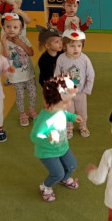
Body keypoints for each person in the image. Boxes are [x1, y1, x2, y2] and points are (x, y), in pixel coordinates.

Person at [30, 75, 82, 203]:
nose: (69, 104)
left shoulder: (59, 109)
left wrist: (73, 117)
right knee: (57, 173)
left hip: (62, 147)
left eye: (69, 101)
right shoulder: (44, 119)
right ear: (51, 101)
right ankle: (45, 186)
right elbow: (34, 136)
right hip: (47, 152)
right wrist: (48, 137)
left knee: (72, 166)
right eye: (65, 102)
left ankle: (63, 179)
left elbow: (64, 114)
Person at [54, 27, 95, 138]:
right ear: (65, 46)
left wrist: (87, 89)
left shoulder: (85, 59)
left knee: (82, 111)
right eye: (72, 46)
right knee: (68, 110)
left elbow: (91, 74)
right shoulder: (61, 59)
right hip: (67, 93)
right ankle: (69, 127)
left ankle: (83, 125)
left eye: (79, 45)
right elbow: (57, 74)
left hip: (81, 92)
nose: (76, 49)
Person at [1, 13, 38, 127]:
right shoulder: (3, 42)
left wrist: (20, 43)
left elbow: (31, 53)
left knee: (33, 93)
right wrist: (3, 41)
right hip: (16, 77)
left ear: (20, 29)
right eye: (8, 27)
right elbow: (6, 55)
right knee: (20, 96)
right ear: (4, 28)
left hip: (28, 73)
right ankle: (22, 114)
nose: (12, 29)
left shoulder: (23, 39)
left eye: (15, 27)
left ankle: (31, 110)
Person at [0, 0, 31, 86]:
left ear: (19, 4)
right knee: (8, 60)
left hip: (19, 42)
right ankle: (11, 77)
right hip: (7, 43)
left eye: (11, 5)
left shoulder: (21, 15)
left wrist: (20, 12)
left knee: (22, 60)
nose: (8, 8)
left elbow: (28, 20)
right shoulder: (4, 15)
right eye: (5, 5)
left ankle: (24, 78)